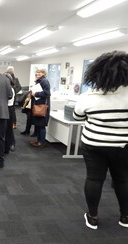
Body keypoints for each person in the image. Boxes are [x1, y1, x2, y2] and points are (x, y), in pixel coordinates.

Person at [73, 51, 128, 230]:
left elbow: (77, 116)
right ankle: (125, 217)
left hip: (94, 144)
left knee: (95, 179)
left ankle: (93, 217)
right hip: (123, 145)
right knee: (123, 180)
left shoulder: (89, 97)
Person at [29, 69, 51, 147]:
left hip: (42, 107)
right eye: (37, 72)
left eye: (39, 72)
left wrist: (36, 93)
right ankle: (38, 140)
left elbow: (47, 93)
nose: (37, 74)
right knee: (38, 124)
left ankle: (41, 142)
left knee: (41, 125)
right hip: (38, 105)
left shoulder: (44, 81)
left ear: (44, 74)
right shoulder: (39, 81)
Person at [4, 72, 16, 154]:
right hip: (8, 109)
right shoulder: (10, 88)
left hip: (7, 109)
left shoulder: (9, 89)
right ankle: (6, 147)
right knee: (7, 130)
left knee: (7, 130)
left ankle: (7, 147)